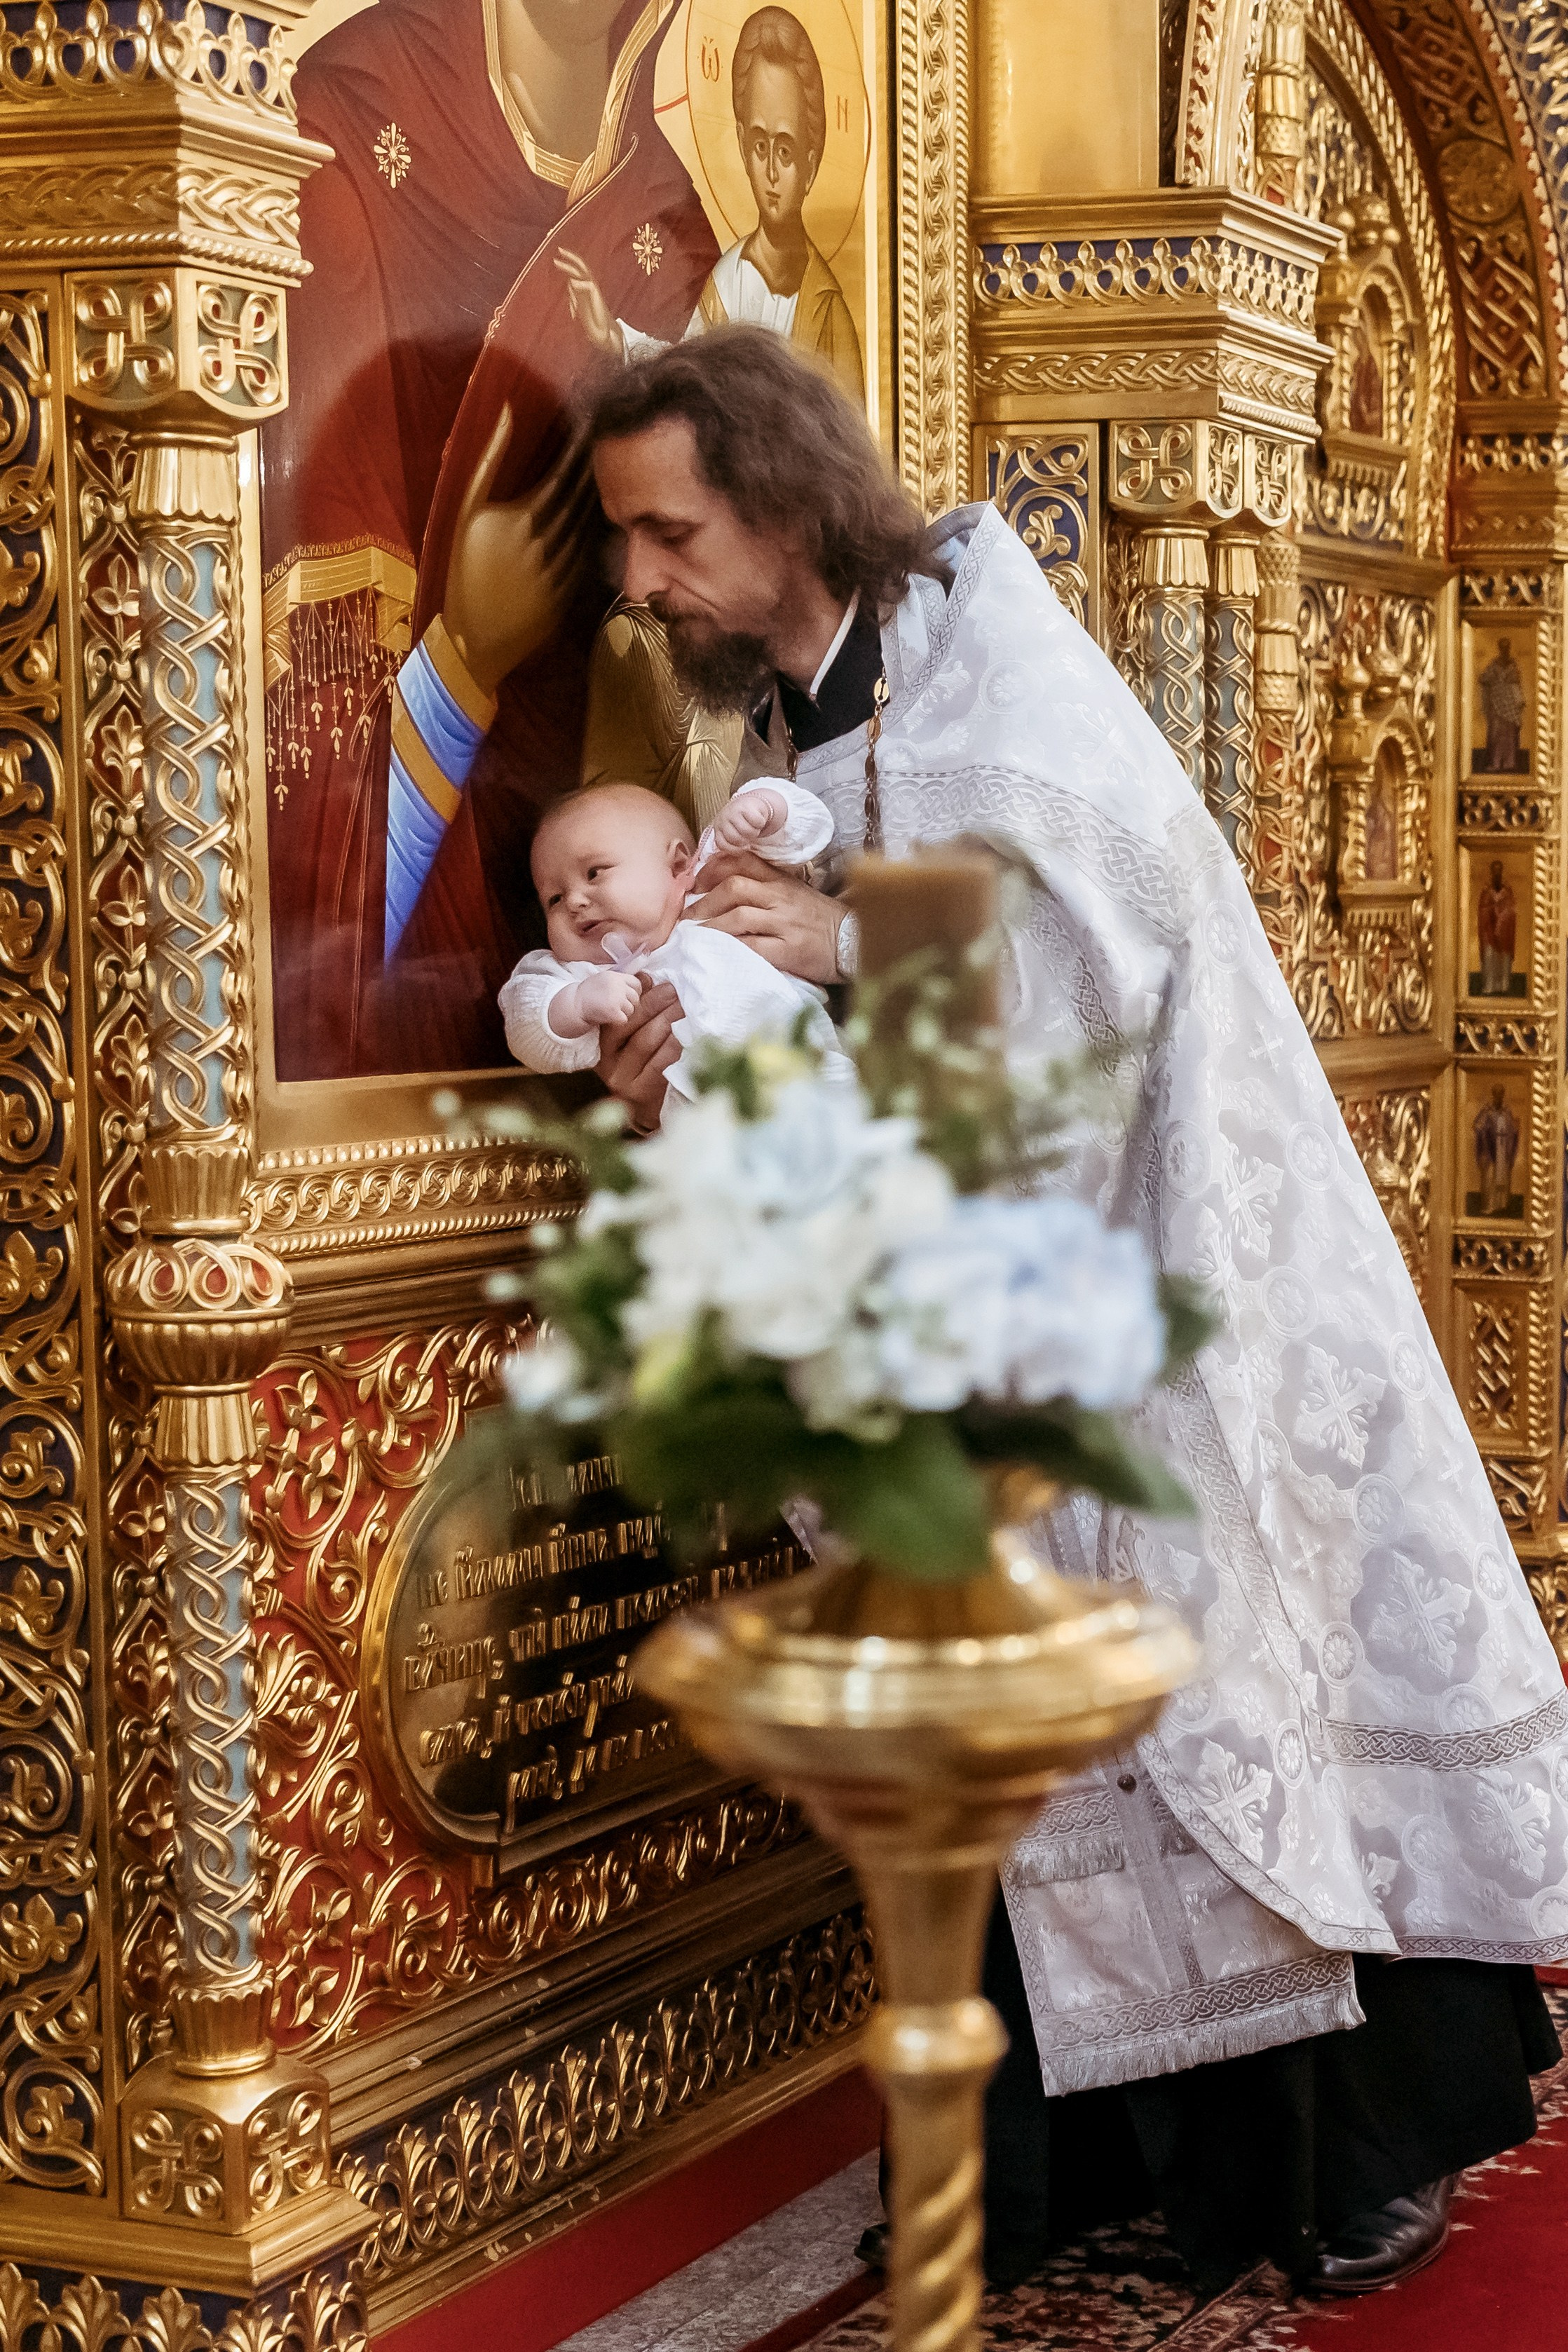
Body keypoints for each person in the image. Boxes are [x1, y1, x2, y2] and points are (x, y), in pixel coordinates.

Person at [578, 326, 1568, 2297]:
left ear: (779, 500)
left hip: (1153, 1278)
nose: (638, 583)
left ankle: (1360, 2148)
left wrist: (849, 937)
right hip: (982, 1296)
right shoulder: (817, 709)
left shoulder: (994, 675)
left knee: (1215, 1686)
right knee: (1003, 1724)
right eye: (623, 542)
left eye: (665, 534)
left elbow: (1083, 962)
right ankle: (1059, 2167)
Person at [259, 0, 721, 1075]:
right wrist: (461, 661)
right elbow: (295, 714)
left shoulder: (672, 219)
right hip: (406, 997)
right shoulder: (353, 121)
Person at [555, 6, 864, 400]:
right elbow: (688, 375)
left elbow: (848, 442)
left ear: (811, 160)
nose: (770, 171)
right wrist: (614, 337)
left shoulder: (828, 311)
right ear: (740, 143)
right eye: (758, 145)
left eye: (784, 152)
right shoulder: (727, 282)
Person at [499, 777, 847, 1100]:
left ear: (679, 865)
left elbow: (801, 837)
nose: (574, 902)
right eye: (554, 899)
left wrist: (764, 807)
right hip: (708, 1123)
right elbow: (524, 1023)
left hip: (810, 1069)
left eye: (594, 873)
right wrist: (574, 1005)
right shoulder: (588, 977)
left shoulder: (714, 885)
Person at [1478, 638, 1527, 775]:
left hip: (1511, 703)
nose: (1505, 650)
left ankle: (1509, 763)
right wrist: (1493, 681)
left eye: (1507, 648)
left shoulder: (1513, 664)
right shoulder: (1494, 664)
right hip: (1496, 702)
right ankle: (1495, 763)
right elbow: (1483, 678)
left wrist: (1519, 698)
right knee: (1496, 733)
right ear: (1500, 649)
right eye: (1503, 648)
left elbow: (1516, 683)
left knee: (1510, 733)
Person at [1473, 1085, 1520, 1219]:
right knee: (1490, 1177)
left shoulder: (1506, 1112)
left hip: (1503, 1148)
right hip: (1490, 1150)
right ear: (1494, 1096)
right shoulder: (1487, 1111)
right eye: (1497, 1095)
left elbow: (1512, 1129)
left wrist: (1515, 1130)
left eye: (1501, 1095)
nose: (1499, 1097)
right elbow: (1477, 1126)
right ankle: (1489, 1206)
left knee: (1503, 1176)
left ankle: (1502, 1205)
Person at [1477, 858, 1517, 995]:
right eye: (1495, 871)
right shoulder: (1486, 891)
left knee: (1504, 957)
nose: (1497, 873)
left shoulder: (1507, 891)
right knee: (1489, 956)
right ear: (1491, 872)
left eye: (1499, 870)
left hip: (1504, 932)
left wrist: (1502, 917)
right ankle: (1490, 985)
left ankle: (1504, 985)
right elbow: (1482, 910)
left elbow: (1511, 911)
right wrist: (1491, 911)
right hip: (1489, 931)